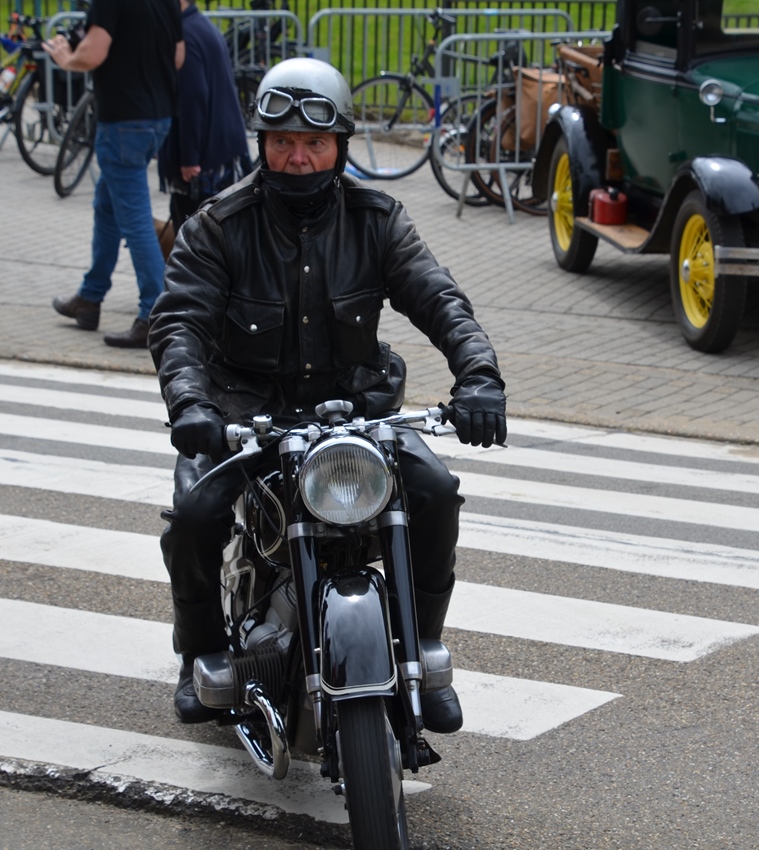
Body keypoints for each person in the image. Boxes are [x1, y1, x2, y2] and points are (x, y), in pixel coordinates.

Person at [148, 58, 507, 734]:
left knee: (435, 493)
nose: (298, 157)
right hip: (245, 414)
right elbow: (180, 322)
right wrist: (191, 404)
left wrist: (479, 377)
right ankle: (199, 652)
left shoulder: (378, 218)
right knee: (194, 515)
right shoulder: (219, 225)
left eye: (314, 142)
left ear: (339, 144)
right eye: (282, 141)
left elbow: (439, 299)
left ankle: (421, 647)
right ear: (262, 144)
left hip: (354, 412)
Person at [44, 0, 184, 349]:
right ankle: (90, 297)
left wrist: (65, 59)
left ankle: (154, 313)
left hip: (123, 120)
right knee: (107, 206)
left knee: (135, 220)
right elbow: (178, 56)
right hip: (158, 117)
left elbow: (93, 53)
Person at [158, 0, 253, 236]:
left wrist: (189, 158)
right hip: (223, 153)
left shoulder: (184, 35)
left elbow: (193, 98)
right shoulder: (202, 25)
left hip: (206, 163)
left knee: (194, 238)